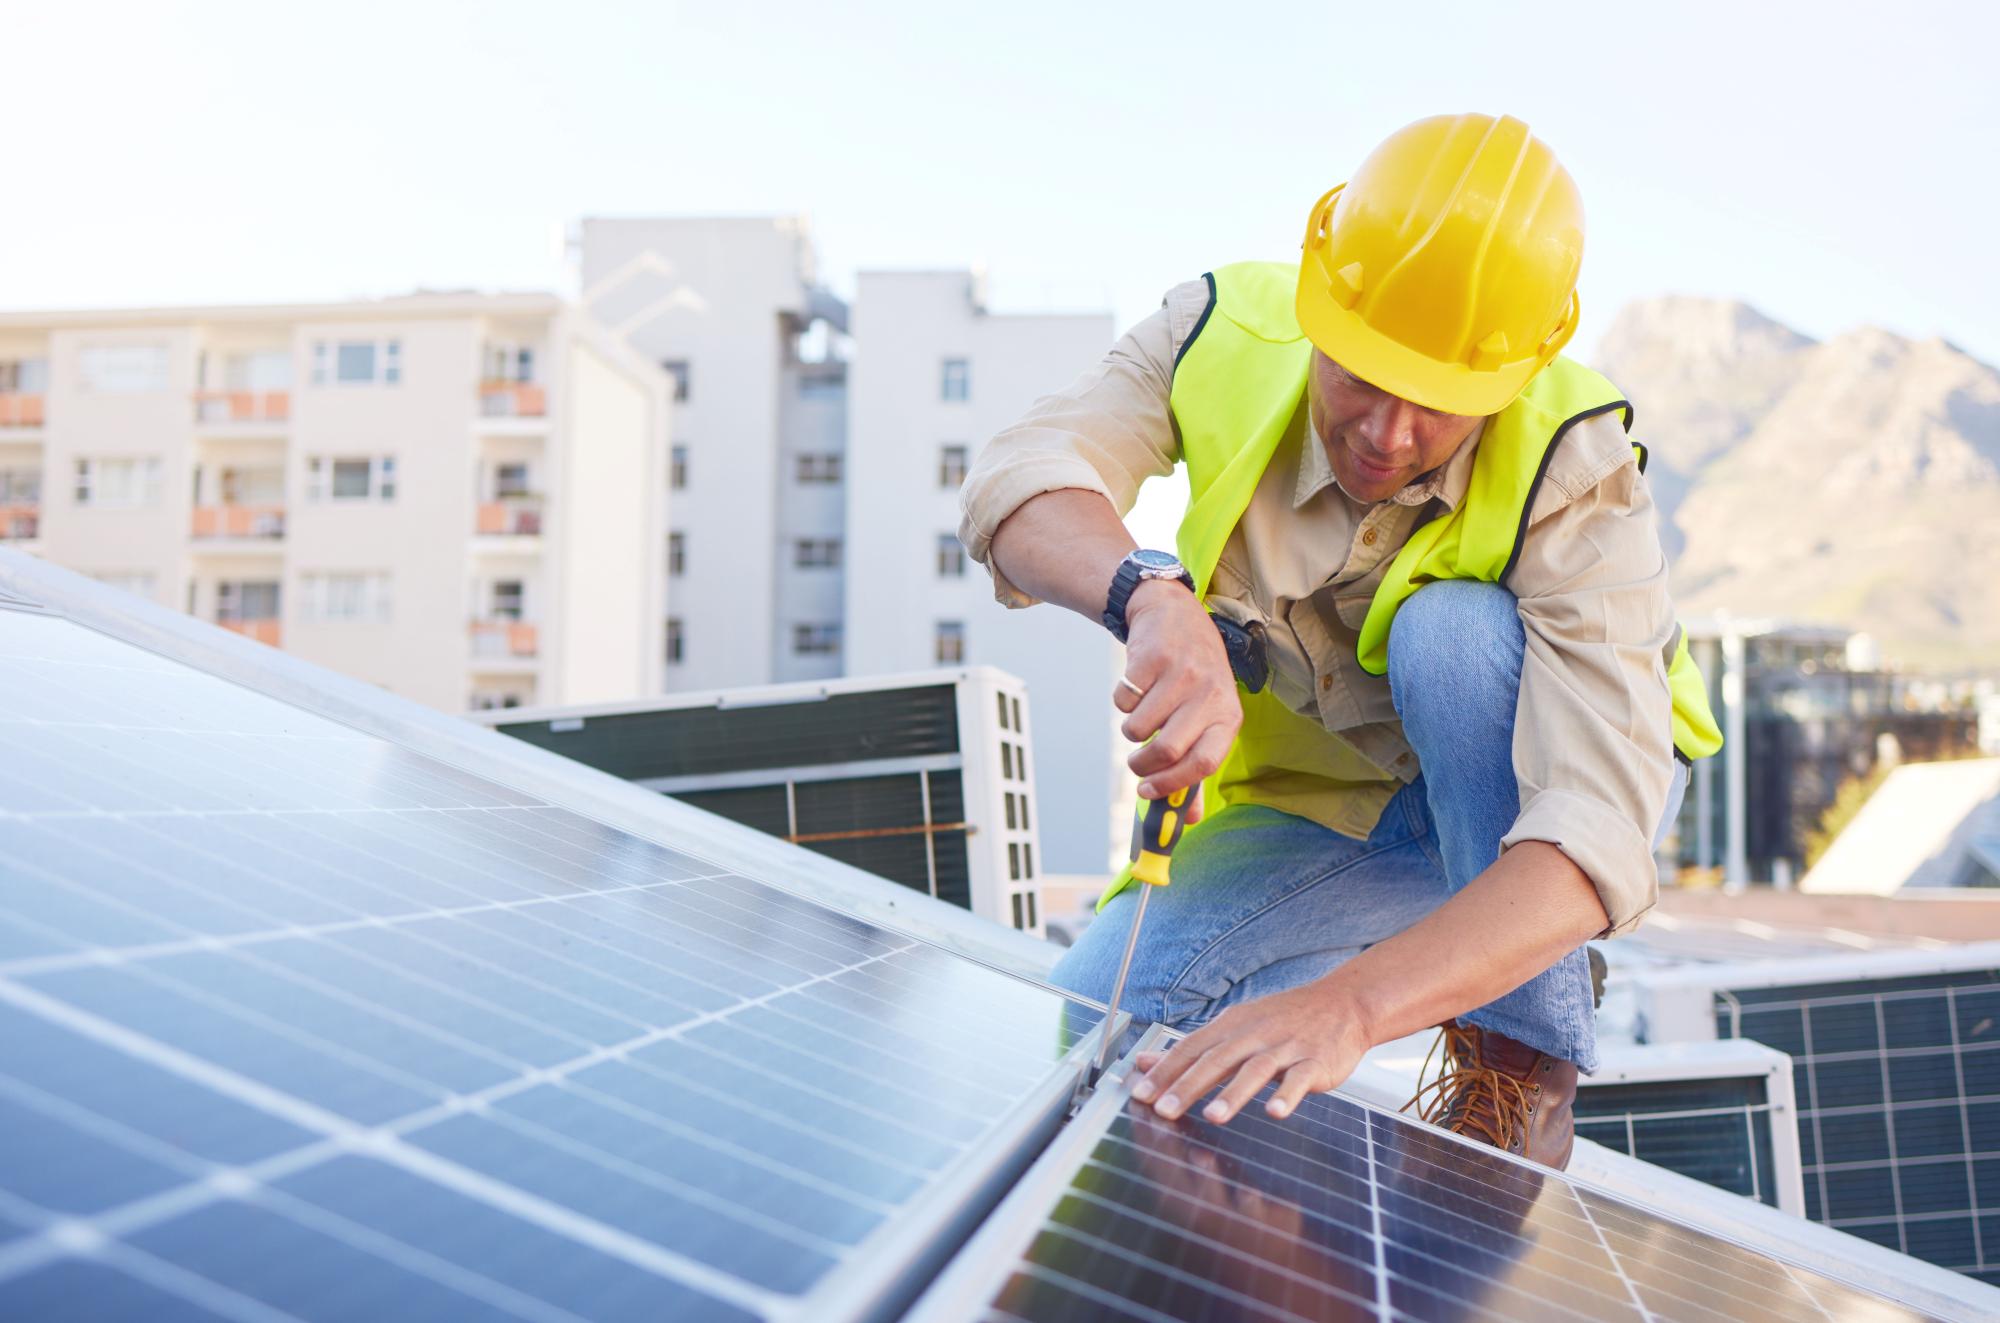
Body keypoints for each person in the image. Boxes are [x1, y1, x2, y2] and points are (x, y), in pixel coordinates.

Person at [958, 113, 1721, 1169]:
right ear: (1322, 303)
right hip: (1327, 804)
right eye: (1359, 373)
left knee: (1451, 637)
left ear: (1509, 377)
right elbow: (1018, 478)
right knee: (1098, 1025)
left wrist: (1349, 1011)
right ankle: (1473, 947)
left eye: (1437, 406)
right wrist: (1149, 597)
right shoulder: (1214, 331)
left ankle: (1517, 1058)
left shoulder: (1574, 461)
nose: (1384, 432)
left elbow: (1590, 839)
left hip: (1539, 795)